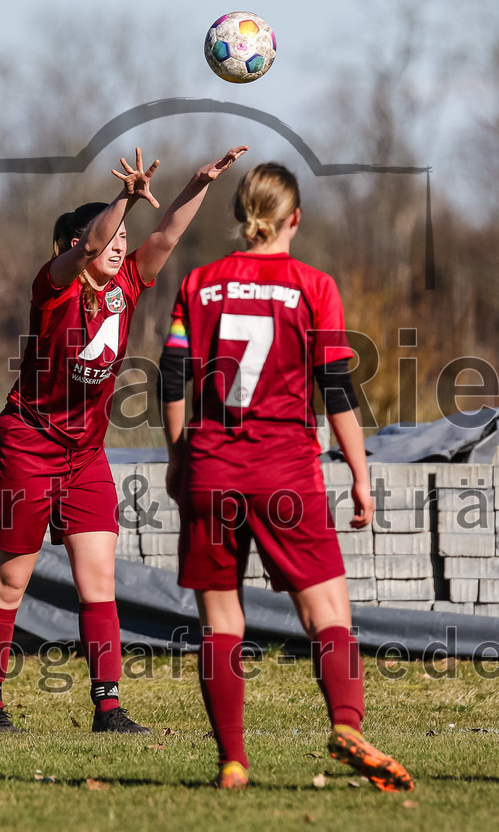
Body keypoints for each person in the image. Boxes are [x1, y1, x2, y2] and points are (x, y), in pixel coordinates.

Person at [0, 144, 247, 735]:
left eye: (124, 236)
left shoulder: (126, 283)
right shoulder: (53, 287)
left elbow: (167, 235)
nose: (121, 243)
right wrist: (123, 198)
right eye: (112, 236)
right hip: (28, 442)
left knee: (99, 582)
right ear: (75, 247)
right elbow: (91, 243)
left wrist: (198, 183)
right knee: (10, 581)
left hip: (84, 455)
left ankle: (109, 708)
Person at [158, 162, 414, 791]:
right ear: (294, 218)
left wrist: (179, 457)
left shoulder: (199, 283)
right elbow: (337, 390)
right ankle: (347, 725)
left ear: (240, 216)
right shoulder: (313, 287)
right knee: (328, 614)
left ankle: (233, 762)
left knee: (221, 624)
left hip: (212, 469)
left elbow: (171, 376)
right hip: (285, 472)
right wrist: (360, 474)